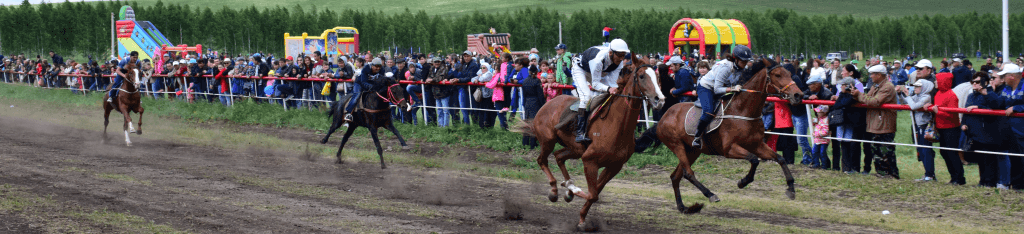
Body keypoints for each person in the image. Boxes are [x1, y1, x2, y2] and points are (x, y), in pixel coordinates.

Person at [570, 38, 630, 143]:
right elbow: (595, 84)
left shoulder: (619, 62)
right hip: (581, 70)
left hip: (598, 71)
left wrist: (614, 89)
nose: (621, 58)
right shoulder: (598, 60)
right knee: (586, 97)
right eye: (619, 55)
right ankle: (579, 132)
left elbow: (612, 83)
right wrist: (608, 88)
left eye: (623, 55)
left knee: (612, 94)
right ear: (611, 53)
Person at [692, 45, 752, 148]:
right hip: (706, 87)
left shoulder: (741, 67)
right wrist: (733, 89)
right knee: (708, 111)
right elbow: (717, 89)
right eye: (743, 61)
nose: (745, 64)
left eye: (746, 61)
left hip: (722, 87)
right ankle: (697, 137)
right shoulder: (725, 67)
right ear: (736, 59)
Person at [962, 73, 1010, 189]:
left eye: (977, 82)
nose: (974, 84)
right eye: (972, 82)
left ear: (985, 83)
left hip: (988, 131)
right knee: (980, 159)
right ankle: (982, 181)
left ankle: (990, 182)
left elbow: (996, 107)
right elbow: (966, 110)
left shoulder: (990, 94)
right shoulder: (970, 96)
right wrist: (963, 123)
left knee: (989, 158)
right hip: (974, 132)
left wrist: (979, 107)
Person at [854, 65, 899, 179]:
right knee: (876, 150)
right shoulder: (875, 86)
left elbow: (875, 101)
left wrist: (859, 95)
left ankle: (891, 174)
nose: (871, 76)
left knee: (886, 151)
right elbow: (868, 98)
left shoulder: (887, 87)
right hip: (876, 123)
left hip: (885, 124)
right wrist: (858, 96)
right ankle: (881, 172)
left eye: (872, 74)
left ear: (879, 75)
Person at [990, 64, 1024, 189]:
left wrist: (1017, 108)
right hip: (1011, 130)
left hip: (1021, 129)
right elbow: (999, 103)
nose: (1002, 78)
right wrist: (988, 92)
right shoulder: (1006, 89)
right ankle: (1017, 185)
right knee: (1014, 158)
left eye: (1004, 76)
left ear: (1012, 76)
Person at [929, 72, 966, 185]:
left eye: (937, 80)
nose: (935, 82)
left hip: (951, 128)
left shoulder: (951, 95)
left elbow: (952, 114)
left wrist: (938, 112)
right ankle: (953, 176)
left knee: (951, 153)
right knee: (944, 152)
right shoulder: (938, 93)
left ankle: (959, 178)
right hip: (941, 127)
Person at [343, 58, 383, 123]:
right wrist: (372, 86)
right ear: (372, 66)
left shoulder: (381, 69)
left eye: (379, 66)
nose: (378, 68)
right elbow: (363, 82)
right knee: (357, 95)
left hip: (371, 84)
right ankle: (348, 113)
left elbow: (382, 79)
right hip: (359, 83)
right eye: (376, 66)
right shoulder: (366, 68)